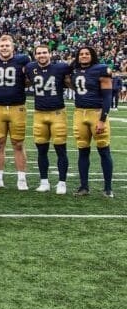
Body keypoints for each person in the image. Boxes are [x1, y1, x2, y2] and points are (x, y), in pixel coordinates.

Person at [0, 35, 32, 190]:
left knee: (18, 143)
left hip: (17, 107)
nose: (4, 48)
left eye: (7, 45)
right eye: (2, 45)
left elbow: (29, 77)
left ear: (13, 47)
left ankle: (21, 179)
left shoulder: (22, 60)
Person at [25, 44, 72, 194]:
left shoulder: (60, 67)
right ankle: (44, 181)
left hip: (57, 112)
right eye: (38, 53)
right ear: (35, 55)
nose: (42, 55)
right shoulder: (30, 67)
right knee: (41, 150)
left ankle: (62, 182)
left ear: (50, 54)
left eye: (44, 52)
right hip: (39, 113)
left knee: (60, 149)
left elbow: (74, 70)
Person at [70, 46, 114, 198]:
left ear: (92, 55)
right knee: (83, 151)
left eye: (87, 53)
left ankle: (108, 188)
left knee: (104, 150)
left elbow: (107, 96)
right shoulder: (74, 69)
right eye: (81, 54)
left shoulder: (101, 69)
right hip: (79, 113)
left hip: (96, 113)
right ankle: (84, 187)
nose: (84, 56)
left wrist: (102, 119)